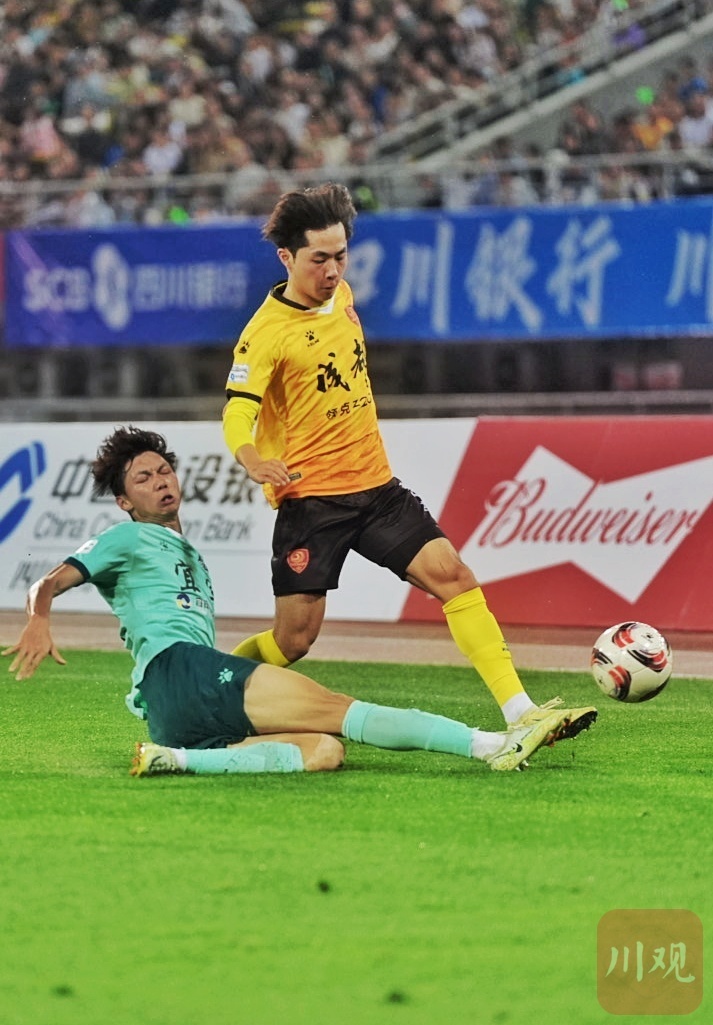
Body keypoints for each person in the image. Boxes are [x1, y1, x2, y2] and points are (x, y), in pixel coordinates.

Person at [221, 183, 597, 743]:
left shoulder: (342, 296)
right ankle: (209, 688)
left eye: (341, 256)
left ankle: (522, 712)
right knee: (294, 640)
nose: (332, 270)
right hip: (313, 501)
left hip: (377, 490)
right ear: (286, 258)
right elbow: (238, 409)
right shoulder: (265, 334)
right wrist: (251, 457)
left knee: (454, 577)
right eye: (319, 259)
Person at [2, 426, 570, 777]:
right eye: (144, 478)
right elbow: (47, 581)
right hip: (178, 672)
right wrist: (38, 619)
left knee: (323, 751)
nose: (161, 480)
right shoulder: (126, 538)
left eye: (165, 470)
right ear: (125, 502)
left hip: (174, 712)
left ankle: (178, 758)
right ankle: (492, 745)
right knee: (340, 711)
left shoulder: (186, 551)